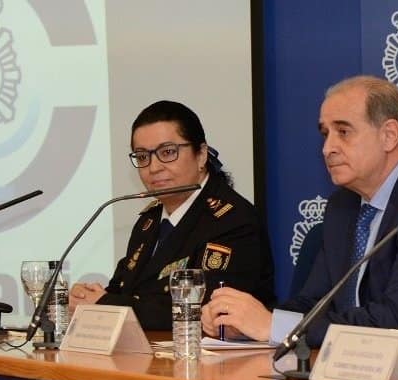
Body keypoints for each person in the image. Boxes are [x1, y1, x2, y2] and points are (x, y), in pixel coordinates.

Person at [203, 75, 398, 352]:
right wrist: (246, 325)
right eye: (325, 133)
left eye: (343, 132)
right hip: (356, 371)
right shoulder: (344, 205)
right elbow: (313, 301)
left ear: (389, 135)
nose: (327, 148)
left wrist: (274, 328)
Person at [68, 100, 275, 330]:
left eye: (168, 152)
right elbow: (123, 290)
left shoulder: (233, 222)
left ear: (201, 155)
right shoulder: (149, 221)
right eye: (143, 156)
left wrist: (105, 305)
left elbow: (199, 309)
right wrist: (87, 299)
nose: (153, 167)